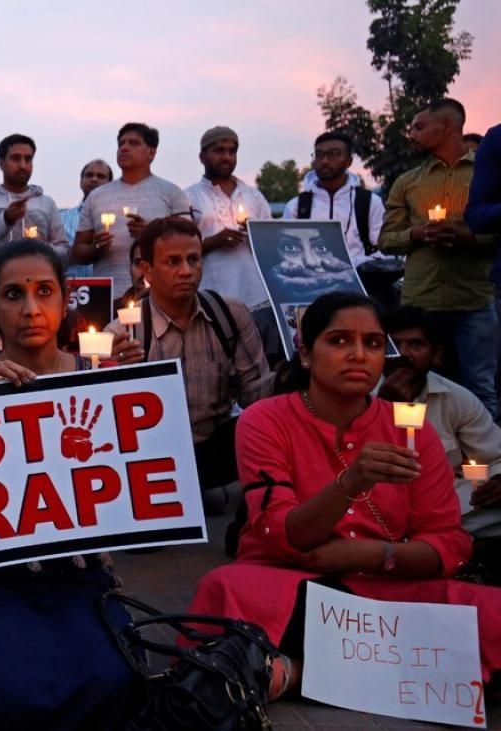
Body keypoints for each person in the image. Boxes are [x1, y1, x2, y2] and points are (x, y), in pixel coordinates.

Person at [190, 292, 501, 698]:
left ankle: (298, 673)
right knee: (226, 586)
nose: (358, 355)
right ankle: (427, 670)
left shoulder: (411, 429)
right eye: (339, 341)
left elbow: (449, 544)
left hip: (391, 589)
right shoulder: (263, 421)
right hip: (294, 583)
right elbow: (279, 535)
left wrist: (371, 555)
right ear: (305, 353)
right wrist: (350, 483)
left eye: (372, 343)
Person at [0, 241, 133, 728]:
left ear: (66, 300)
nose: (31, 308)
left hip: (79, 579)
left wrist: (138, 400)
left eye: (44, 292)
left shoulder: (102, 382)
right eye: (13, 295)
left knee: (112, 682)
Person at [108, 217, 272, 495]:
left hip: (216, 446)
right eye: (173, 261)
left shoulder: (229, 314)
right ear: (147, 271)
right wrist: (113, 372)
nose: (186, 271)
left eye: (193, 259)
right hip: (153, 455)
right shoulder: (123, 333)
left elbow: (258, 393)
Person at [379, 98, 498, 418]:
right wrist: (416, 235)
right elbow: (385, 240)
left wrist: (468, 238)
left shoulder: (486, 175)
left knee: (481, 386)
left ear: (446, 126)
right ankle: (420, 455)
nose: (412, 134)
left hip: (473, 299)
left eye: (419, 126)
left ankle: (488, 461)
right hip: (421, 302)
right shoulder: (408, 182)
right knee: (414, 383)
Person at [378, 305, 501, 575]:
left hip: (449, 505)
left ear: (437, 355)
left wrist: (495, 479)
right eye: (394, 345)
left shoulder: (455, 399)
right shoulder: (359, 394)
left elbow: (489, 457)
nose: (404, 355)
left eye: (416, 345)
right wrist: (384, 411)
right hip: (377, 506)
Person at [184, 126, 276, 359]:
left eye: (231, 151)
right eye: (219, 150)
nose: (226, 157)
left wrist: (256, 234)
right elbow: (181, 249)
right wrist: (214, 241)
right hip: (210, 295)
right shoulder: (189, 197)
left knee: (257, 358)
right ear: (202, 156)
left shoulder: (254, 196)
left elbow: (272, 248)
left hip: (256, 295)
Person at [284, 131, 396, 311]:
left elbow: (384, 252)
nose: (325, 161)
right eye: (319, 155)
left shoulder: (368, 202)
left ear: (348, 161)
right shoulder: (297, 206)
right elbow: (287, 253)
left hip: (361, 294)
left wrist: (351, 267)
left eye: (334, 154)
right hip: (312, 294)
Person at [73, 123, 191, 287]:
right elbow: (78, 251)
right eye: (121, 143)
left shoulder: (172, 193)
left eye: (133, 143)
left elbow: (190, 244)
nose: (124, 148)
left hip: (158, 295)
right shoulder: (96, 196)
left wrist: (151, 235)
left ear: (151, 152)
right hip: (109, 297)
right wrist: (96, 248)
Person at [0, 134, 69, 264]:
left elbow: (64, 252)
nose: (23, 165)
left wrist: (39, 247)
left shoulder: (46, 203)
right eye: (16, 158)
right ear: (1, 163)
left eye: (28, 159)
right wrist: (6, 219)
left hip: (37, 278)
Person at [61, 159, 114, 277]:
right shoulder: (62, 219)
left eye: (101, 176)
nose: (94, 179)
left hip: (111, 291)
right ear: (81, 182)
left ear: (110, 184)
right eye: (89, 175)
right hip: (73, 290)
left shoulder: (119, 220)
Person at [111, 238, 148, 311]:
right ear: (129, 268)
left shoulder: (171, 309)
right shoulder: (113, 309)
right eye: (138, 263)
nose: (143, 271)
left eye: (149, 264)